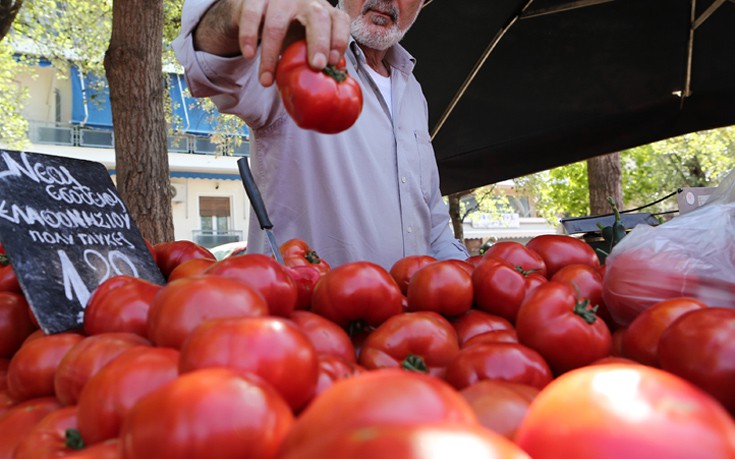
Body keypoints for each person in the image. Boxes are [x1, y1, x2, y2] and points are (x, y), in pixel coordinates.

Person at [173, 0, 469, 270]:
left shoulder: (413, 90)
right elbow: (207, 68)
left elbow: (432, 220)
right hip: (306, 318)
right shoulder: (295, 52)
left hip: (411, 321)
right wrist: (238, 11)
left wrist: (466, 277)